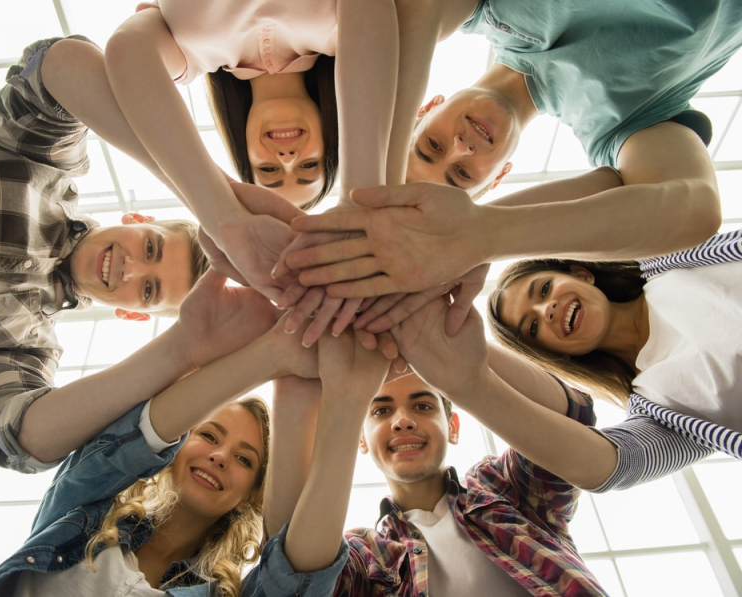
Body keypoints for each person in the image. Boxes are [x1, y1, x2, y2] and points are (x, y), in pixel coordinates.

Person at [0, 37, 302, 477]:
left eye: (148, 290)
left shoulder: (22, 343)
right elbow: (58, 63)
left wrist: (182, 349)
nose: (131, 267)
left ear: (132, 316)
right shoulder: (45, 161)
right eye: (150, 246)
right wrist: (220, 204)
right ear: (137, 217)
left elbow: (18, 440)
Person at [279, 0, 742, 334]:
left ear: (426, 106)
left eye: (430, 146)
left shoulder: (479, 10)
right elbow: (693, 209)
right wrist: (481, 238)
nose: (459, 147)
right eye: (463, 175)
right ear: (498, 177)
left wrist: (366, 194)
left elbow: (407, 16)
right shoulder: (619, 126)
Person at [0, 313, 355, 596]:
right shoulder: (78, 518)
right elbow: (128, 440)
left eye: (244, 459)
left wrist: (300, 389)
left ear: (250, 495)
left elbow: (292, 580)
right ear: (178, 446)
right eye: (208, 435)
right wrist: (272, 355)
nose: (220, 456)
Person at [101, 0, 399, 310]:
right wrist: (360, 205)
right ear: (334, 137)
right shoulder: (347, 32)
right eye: (308, 165)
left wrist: (225, 220)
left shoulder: (189, 55)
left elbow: (125, 50)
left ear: (244, 152)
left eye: (268, 170)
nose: (286, 157)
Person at [268, 326, 607, 592]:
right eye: (381, 410)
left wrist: (455, 345)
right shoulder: (368, 556)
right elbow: (290, 572)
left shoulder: (507, 489)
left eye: (423, 405)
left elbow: (572, 421)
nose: (402, 420)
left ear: (453, 427)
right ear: (362, 440)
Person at [485, 228, 742, 491]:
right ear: (553, 353)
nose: (546, 310)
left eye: (544, 289)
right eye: (533, 327)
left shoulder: (672, 258)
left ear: (581, 274)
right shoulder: (658, 412)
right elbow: (608, 467)